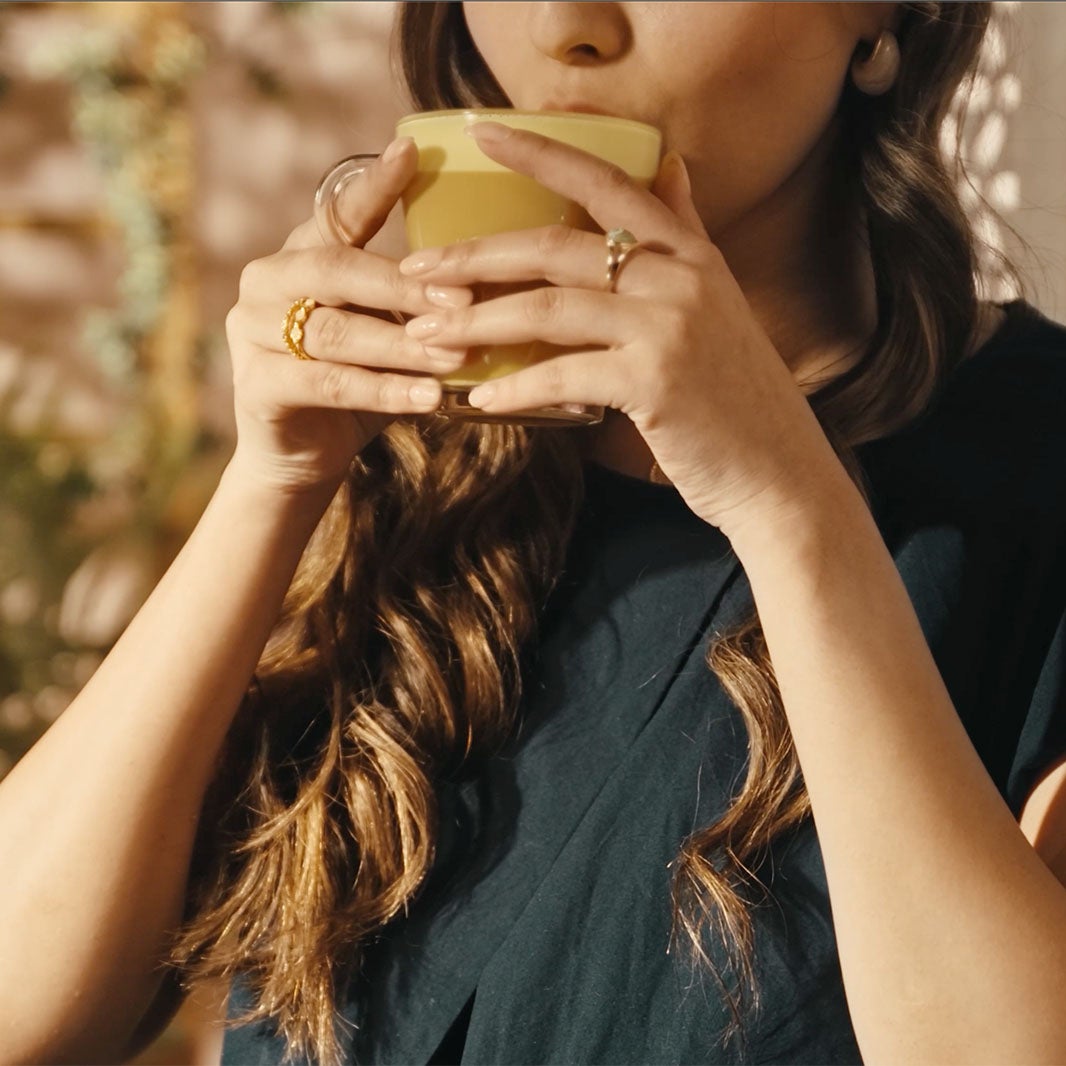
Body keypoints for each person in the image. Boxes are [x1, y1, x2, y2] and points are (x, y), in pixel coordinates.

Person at [4, 2, 1066, 1063]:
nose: (565, 24)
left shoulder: (1032, 468)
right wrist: (270, 484)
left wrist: (787, 501)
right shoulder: (404, 461)